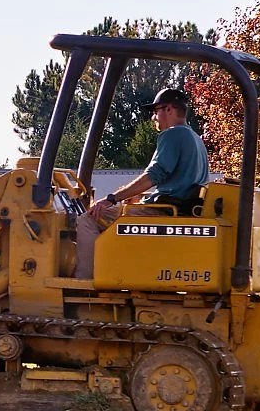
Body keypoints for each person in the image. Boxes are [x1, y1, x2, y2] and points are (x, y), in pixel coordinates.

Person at [74, 88, 209, 279]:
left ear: (169, 109)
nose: (154, 117)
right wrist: (137, 196)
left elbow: (153, 175)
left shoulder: (173, 134)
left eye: (156, 111)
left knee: (88, 219)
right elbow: (177, 181)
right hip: (176, 208)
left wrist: (111, 199)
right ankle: (113, 272)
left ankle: (84, 283)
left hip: (163, 212)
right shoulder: (196, 139)